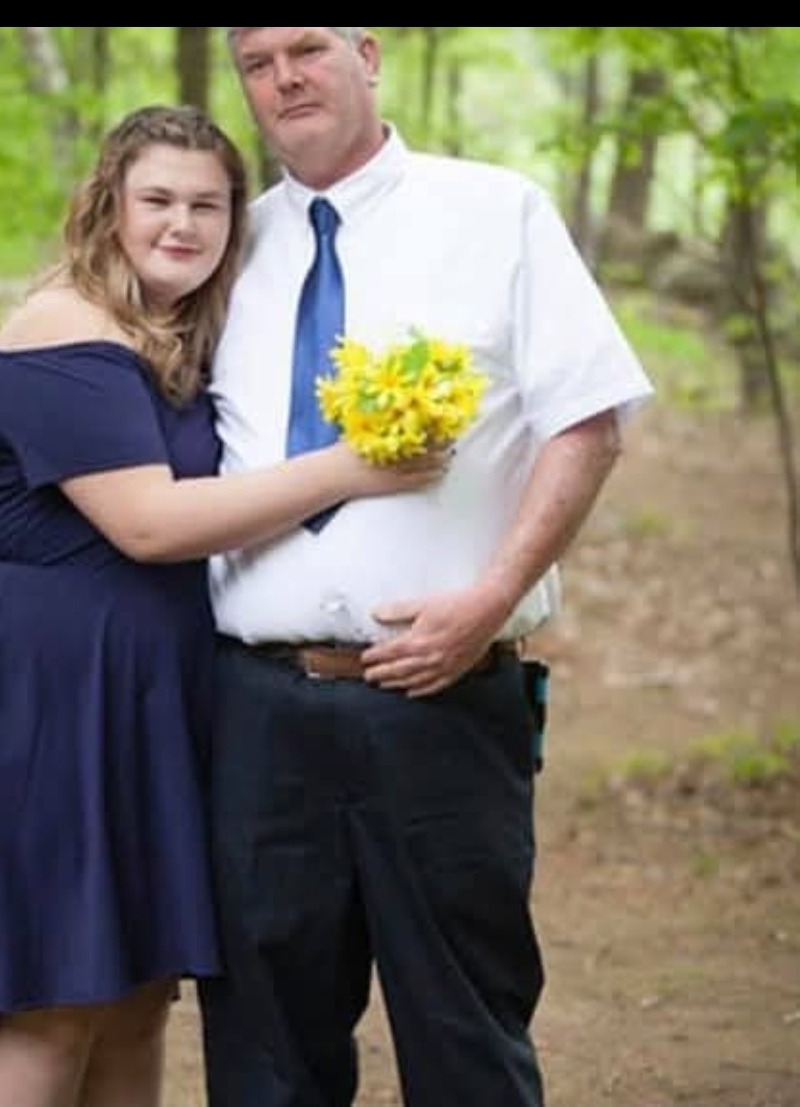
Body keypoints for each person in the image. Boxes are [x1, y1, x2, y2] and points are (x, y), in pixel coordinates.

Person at [0, 103, 445, 1107]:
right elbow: (151, 525)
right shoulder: (67, 328)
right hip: (44, 687)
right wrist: (351, 467)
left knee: (133, 995)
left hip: (135, 687)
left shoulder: (166, 333)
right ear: (108, 207)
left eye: (208, 205)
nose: (182, 223)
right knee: (55, 998)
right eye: (157, 199)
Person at [199, 27, 656, 1107]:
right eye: (257, 63)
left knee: (465, 1038)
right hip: (257, 713)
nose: (284, 78)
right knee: (264, 1047)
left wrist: (493, 599)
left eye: (308, 48)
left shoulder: (496, 212)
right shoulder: (224, 245)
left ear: (367, 53)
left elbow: (588, 422)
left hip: (443, 703)